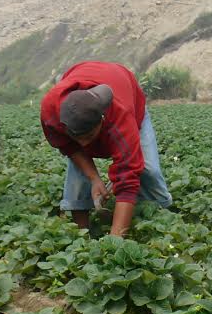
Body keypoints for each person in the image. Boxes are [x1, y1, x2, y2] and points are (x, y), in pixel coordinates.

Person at [40, 61, 172, 236]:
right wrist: (94, 178)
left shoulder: (120, 118)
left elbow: (128, 176)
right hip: (89, 76)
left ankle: (164, 217)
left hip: (128, 95)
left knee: (149, 170)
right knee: (78, 177)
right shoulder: (51, 111)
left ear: (103, 120)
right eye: (77, 138)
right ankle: (81, 234)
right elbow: (69, 147)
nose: (85, 145)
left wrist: (115, 240)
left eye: (88, 137)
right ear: (64, 126)